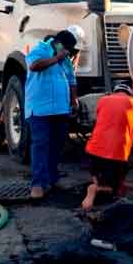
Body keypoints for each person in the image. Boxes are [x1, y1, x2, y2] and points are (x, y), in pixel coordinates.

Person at [25, 26, 85, 199]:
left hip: (60, 108)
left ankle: (51, 178)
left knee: (57, 144)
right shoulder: (41, 49)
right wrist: (56, 58)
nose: (68, 53)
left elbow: (71, 78)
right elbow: (34, 66)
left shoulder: (65, 58)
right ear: (58, 44)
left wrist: (73, 100)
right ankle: (37, 184)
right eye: (66, 49)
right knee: (40, 144)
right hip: (40, 108)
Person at [82, 83, 133, 210]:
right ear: (130, 93)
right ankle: (96, 189)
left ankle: (98, 182)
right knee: (113, 191)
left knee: (100, 173)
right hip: (116, 157)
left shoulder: (103, 100)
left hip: (92, 152)